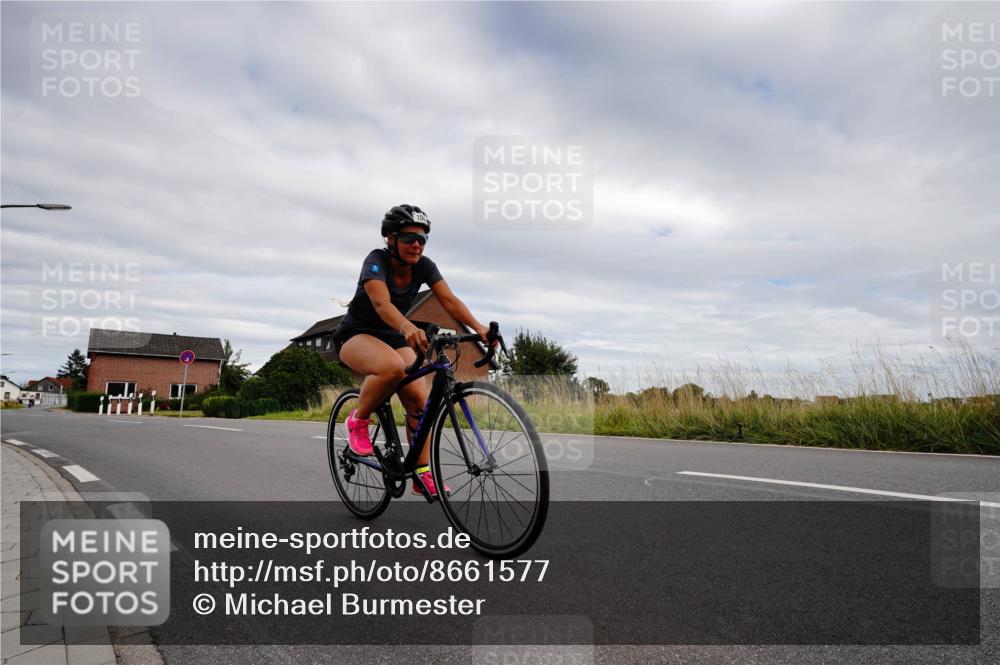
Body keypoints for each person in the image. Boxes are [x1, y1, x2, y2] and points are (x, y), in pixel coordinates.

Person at [332, 204, 491, 497]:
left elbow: (449, 300)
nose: (416, 245)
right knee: (391, 368)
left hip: (392, 337)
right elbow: (381, 304)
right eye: (408, 238)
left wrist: (478, 327)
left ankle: (421, 473)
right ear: (391, 239)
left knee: (419, 402)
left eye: (422, 239)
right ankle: (358, 420)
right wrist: (407, 327)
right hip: (356, 335)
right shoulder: (376, 261)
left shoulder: (425, 266)